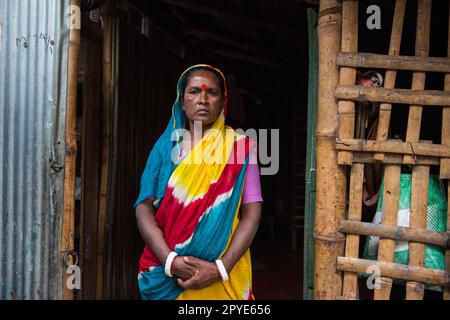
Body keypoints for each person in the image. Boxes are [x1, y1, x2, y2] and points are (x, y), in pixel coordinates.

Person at [134, 64, 263, 300]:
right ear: (182, 101)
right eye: (194, 92)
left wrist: (220, 269)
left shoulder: (240, 148)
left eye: (211, 92)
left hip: (224, 276)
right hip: (165, 276)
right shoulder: (165, 148)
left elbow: (252, 215)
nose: (202, 99)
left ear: (224, 101)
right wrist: (170, 260)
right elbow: (143, 208)